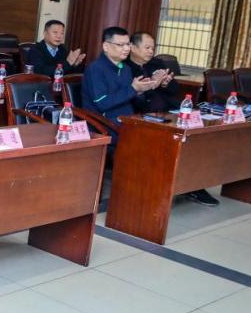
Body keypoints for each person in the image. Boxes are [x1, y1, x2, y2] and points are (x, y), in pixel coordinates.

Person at [125, 31, 218, 206]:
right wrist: (150, 85)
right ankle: (172, 186)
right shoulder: (125, 67)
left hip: (168, 111)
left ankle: (194, 186)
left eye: (153, 48)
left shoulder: (157, 63)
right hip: (145, 116)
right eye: (147, 48)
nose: (151, 51)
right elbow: (133, 99)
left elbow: (174, 89)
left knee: (196, 139)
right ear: (133, 48)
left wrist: (166, 83)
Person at [82, 26, 158, 130]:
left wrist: (140, 91)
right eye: (120, 45)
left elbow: (131, 101)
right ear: (106, 46)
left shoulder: (125, 69)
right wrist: (133, 89)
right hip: (103, 124)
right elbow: (102, 104)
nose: (126, 49)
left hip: (126, 120)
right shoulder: (96, 68)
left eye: (127, 44)